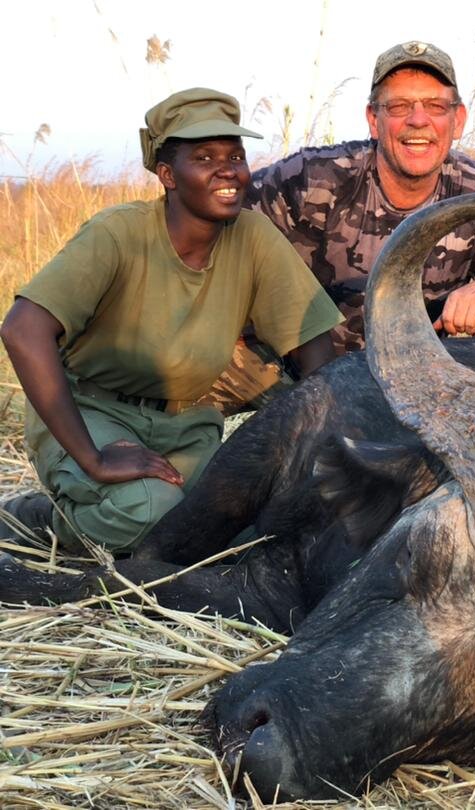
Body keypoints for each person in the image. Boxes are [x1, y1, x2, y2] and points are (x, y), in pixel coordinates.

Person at [0, 88, 342, 553]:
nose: (228, 170)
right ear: (167, 175)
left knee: (245, 526)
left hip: (188, 423)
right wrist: (94, 458)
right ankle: (41, 523)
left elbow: (312, 347)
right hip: (95, 412)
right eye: (204, 157)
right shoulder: (118, 233)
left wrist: (332, 452)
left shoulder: (253, 235)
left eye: (235, 155)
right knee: (152, 514)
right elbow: (22, 329)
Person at [244, 40, 475, 354]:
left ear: (458, 120)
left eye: (436, 106)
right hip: (302, 362)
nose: (418, 120)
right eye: (399, 106)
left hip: (415, 372)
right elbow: (217, 214)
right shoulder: (315, 176)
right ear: (373, 120)